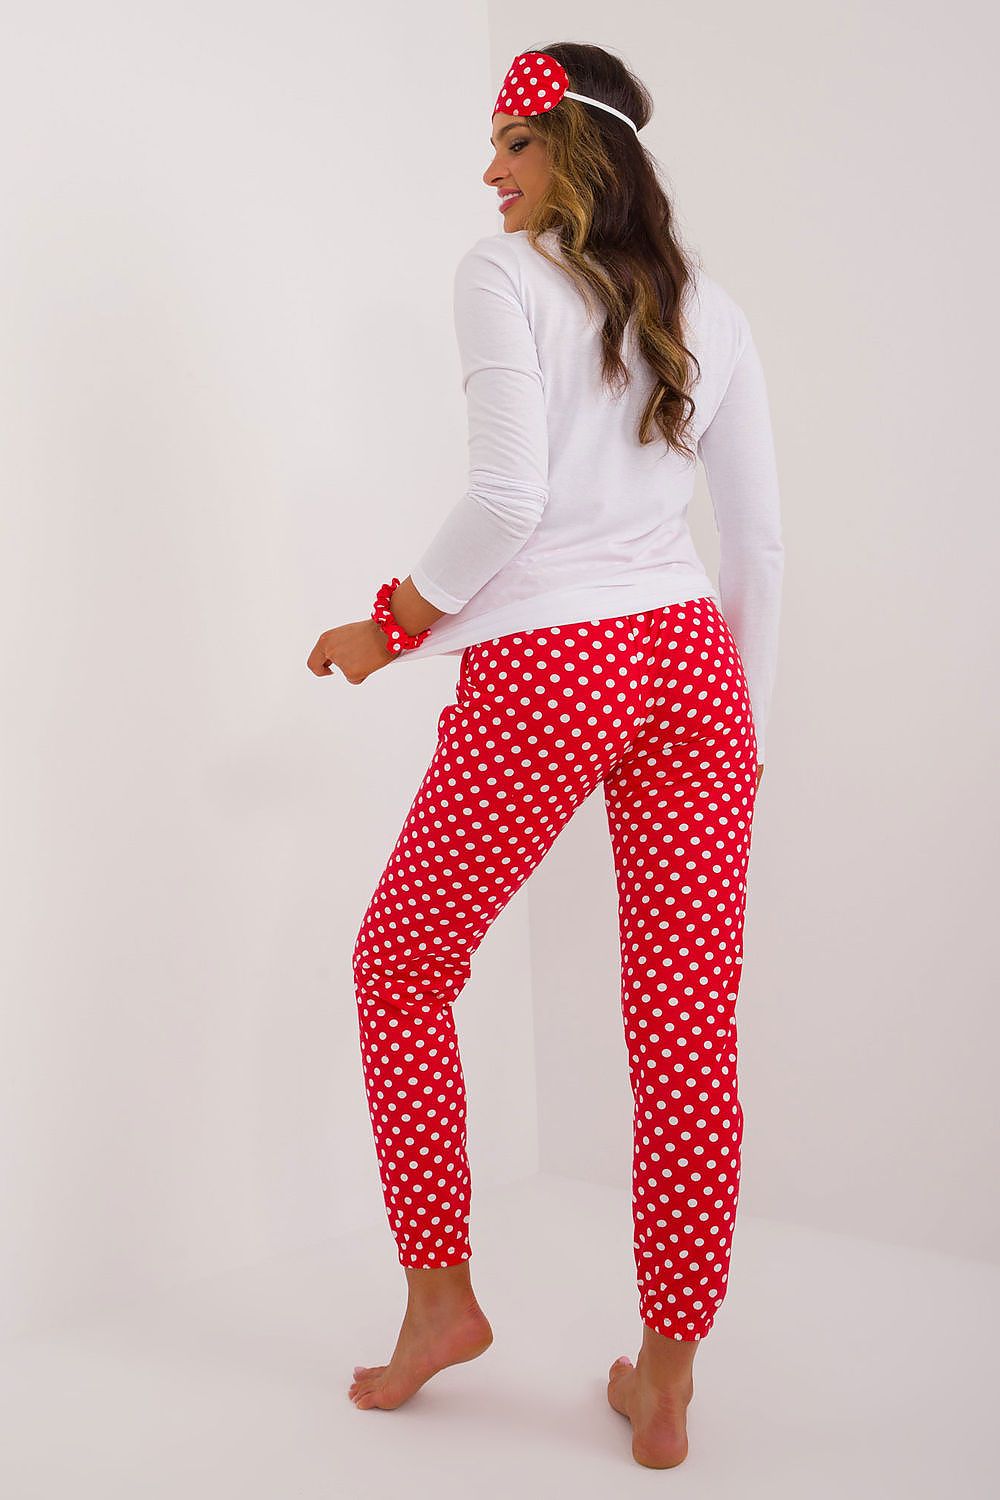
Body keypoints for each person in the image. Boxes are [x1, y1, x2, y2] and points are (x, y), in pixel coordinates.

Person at [307, 41, 783, 1471]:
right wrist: (744, 733)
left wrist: (393, 621)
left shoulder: (501, 276)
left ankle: (440, 1298)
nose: (490, 172)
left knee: (400, 968)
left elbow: (510, 496)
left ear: (577, 150)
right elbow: (756, 544)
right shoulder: (709, 306)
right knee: (688, 1035)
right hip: (694, 667)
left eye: (513, 141)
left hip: (556, 668)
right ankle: (668, 1377)